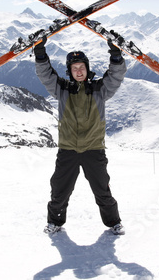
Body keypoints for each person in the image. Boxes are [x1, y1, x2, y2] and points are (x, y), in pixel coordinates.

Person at [33, 32, 127, 235]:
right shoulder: (62, 89)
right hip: (68, 149)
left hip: (94, 149)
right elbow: (46, 75)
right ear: (69, 71)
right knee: (59, 189)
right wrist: (40, 54)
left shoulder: (99, 89)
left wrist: (116, 55)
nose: (78, 71)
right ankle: (55, 222)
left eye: (81, 67)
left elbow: (115, 76)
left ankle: (114, 223)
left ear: (87, 68)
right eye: (74, 68)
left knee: (102, 189)